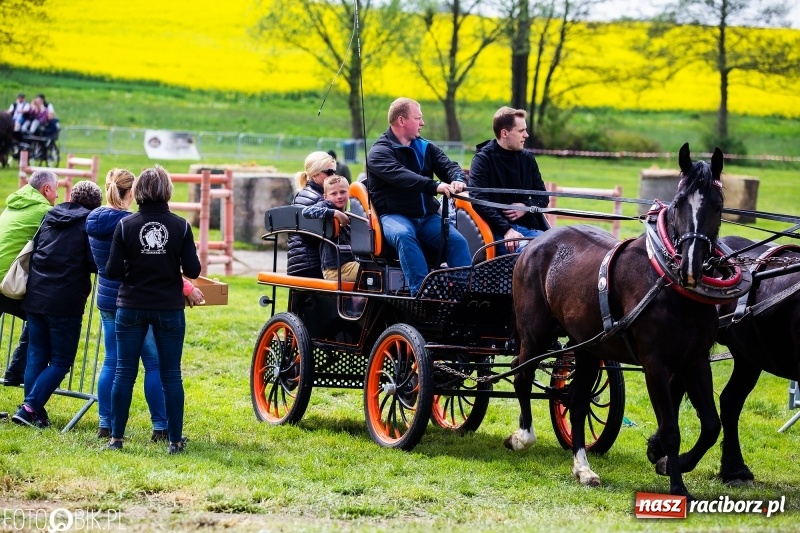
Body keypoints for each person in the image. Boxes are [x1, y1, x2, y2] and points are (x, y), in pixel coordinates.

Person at [86, 169, 204, 441]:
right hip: (168, 307)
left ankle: (116, 437)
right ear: (168, 191)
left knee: (123, 372)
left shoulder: (126, 225)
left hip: (131, 305)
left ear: (139, 192)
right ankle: (173, 440)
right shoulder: (181, 225)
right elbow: (193, 270)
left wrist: (134, 263)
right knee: (170, 374)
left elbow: (112, 271)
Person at [12, 180, 102, 429]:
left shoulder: (51, 214)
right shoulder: (88, 223)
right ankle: (29, 408)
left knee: (36, 355)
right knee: (62, 360)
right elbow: (93, 262)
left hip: (35, 296)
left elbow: (38, 246)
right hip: (64, 302)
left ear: (72, 197)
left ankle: (34, 412)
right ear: (95, 206)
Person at [366, 97, 471, 296]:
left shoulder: (425, 147)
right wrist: (435, 186)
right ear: (401, 121)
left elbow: (448, 165)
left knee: (458, 241)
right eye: (418, 118)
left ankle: (463, 295)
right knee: (404, 235)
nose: (422, 123)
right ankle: (422, 292)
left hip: (426, 217)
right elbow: (403, 177)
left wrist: (457, 179)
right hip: (393, 217)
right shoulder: (379, 152)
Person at [1, 170, 58, 388]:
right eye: (56, 189)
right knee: (41, 318)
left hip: (3, 277)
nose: (57, 197)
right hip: (6, 281)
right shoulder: (44, 211)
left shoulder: (14, 203)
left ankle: (15, 372)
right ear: (46, 189)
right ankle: (16, 372)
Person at [469, 106, 549, 255]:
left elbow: (543, 197)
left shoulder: (528, 159)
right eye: (521, 131)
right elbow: (478, 201)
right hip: (496, 232)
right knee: (538, 254)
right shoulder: (482, 160)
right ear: (504, 133)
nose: (526, 135)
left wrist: (525, 207)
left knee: (562, 250)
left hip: (530, 228)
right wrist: (507, 229)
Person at [287, 151, 337, 278]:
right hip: (312, 264)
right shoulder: (318, 198)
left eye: (334, 172)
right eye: (329, 172)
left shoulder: (303, 194)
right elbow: (314, 235)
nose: (333, 176)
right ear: (314, 175)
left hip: (298, 264)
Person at [302, 175, 359, 282]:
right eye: (333, 193)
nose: (339, 196)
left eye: (343, 192)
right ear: (326, 196)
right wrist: (334, 213)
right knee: (371, 272)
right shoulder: (327, 205)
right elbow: (306, 212)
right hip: (335, 270)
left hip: (351, 264)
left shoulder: (351, 215)